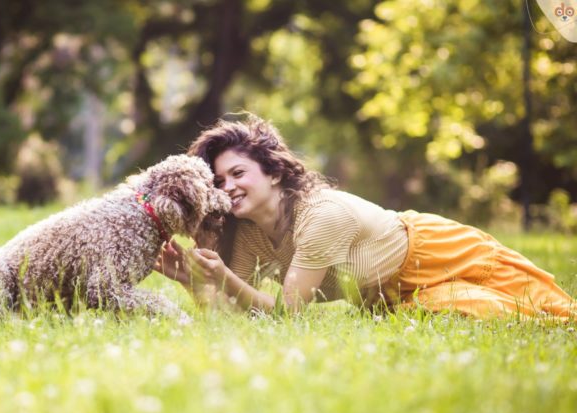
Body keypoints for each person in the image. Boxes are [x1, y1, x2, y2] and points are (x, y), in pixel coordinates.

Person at [154, 114, 577, 320]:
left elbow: (287, 314)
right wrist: (196, 281)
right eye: (219, 179)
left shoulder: (321, 216)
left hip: (436, 256)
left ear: (276, 172)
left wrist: (225, 279)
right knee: (440, 316)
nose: (226, 186)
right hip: (389, 299)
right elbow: (240, 318)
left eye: (238, 173)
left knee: (551, 315)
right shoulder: (247, 233)